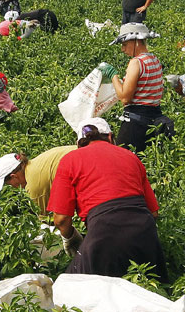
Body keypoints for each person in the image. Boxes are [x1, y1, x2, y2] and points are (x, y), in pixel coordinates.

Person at [47, 117, 167, 281]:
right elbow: (153, 212)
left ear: (79, 143)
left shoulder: (70, 160)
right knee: (154, 292)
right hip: (144, 230)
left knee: (72, 287)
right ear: (110, 137)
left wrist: (70, 239)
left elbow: (61, 220)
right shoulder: (131, 156)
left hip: (103, 231)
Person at [98, 23, 173, 153]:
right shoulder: (154, 59)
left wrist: (113, 75)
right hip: (153, 119)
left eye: (125, 44)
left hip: (136, 124)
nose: (122, 49)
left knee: (122, 160)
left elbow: (125, 97)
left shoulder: (136, 62)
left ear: (135, 41)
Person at [0, 146, 77, 213]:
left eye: (10, 184)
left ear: (14, 176)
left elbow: (49, 220)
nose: (14, 187)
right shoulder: (37, 162)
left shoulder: (33, 186)